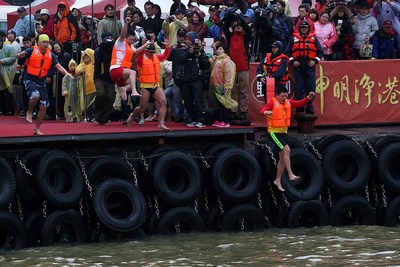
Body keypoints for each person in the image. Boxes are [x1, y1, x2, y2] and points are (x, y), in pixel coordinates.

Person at [260, 86, 315, 192]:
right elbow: (262, 110)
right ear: (277, 95)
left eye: (286, 96)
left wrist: (308, 98)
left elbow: (300, 103)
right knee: (287, 150)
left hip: (283, 132)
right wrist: (266, 112)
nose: (284, 98)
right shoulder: (272, 102)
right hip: (274, 133)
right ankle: (290, 174)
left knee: (282, 158)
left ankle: (277, 180)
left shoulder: (288, 102)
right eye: (282, 96)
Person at [17, 34, 73, 135]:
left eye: (47, 42)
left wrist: (66, 73)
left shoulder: (50, 54)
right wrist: (20, 55)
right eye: (44, 42)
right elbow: (22, 55)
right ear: (38, 43)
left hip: (41, 80)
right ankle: (29, 112)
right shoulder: (31, 50)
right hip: (29, 78)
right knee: (35, 95)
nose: (46, 44)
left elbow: (58, 66)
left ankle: (37, 129)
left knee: (44, 105)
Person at [127, 43, 171, 131]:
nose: (152, 54)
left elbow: (165, 55)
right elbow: (137, 54)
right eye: (150, 52)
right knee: (142, 108)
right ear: (146, 51)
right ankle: (132, 115)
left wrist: (167, 47)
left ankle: (161, 123)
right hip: (145, 86)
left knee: (163, 102)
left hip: (155, 85)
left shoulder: (156, 57)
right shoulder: (141, 59)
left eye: (153, 52)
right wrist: (144, 46)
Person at [110, 16, 150, 104]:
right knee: (133, 72)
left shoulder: (130, 46)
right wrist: (126, 23)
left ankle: (124, 88)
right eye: (130, 39)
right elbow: (123, 34)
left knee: (132, 81)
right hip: (116, 68)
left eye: (133, 40)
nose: (132, 41)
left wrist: (146, 44)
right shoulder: (120, 42)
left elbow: (136, 51)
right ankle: (134, 92)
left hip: (121, 72)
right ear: (126, 38)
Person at [285, 20, 323, 114]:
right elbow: (287, 53)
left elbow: (320, 52)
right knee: (299, 87)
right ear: (299, 28)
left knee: (310, 87)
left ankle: (309, 107)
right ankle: (299, 108)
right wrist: (293, 62)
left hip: (309, 65)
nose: (304, 29)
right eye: (302, 28)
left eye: (305, 28)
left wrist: (314, 61)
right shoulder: (293, 39)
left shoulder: (314, 39)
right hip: (298, 65)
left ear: (308, 29)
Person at [209, 43, 237, 128]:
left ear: (225, 50)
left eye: (220, 49)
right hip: (215, 84)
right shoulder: (217, 60)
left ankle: (225, 121)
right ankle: (219, 119)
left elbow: (229, 74)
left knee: (222, 103)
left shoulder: (227, 61)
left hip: (222, 85)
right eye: (217, 49)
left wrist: (227, 86)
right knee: (216, 103)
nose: (218, 50)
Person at [92, 32, 116, 125]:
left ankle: (104, 118)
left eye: (110, 38)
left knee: (111, 98)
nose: (108, 40)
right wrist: (103, 46)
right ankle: (97, 115)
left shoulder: (114, 49)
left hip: (110, 78)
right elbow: (98, 59)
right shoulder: (99, 49)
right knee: (100, 94)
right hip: (99, 77)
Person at [0, 31, 17, 116]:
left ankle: (10, 109)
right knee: (1, 92)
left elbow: (13, 58)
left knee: (8, 90)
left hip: (8, 72)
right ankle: (3, 109)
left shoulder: (9, 47)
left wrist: (2, 61)